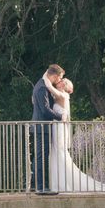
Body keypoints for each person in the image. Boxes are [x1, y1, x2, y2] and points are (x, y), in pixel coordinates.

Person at [42, 72, 105, 192]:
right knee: (56, 153)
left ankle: (62, 185)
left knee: (59, 153)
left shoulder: (62, 95)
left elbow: (49, 87)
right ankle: (58, 184)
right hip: (57, 127)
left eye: (61, 80)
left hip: (59, 128)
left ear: (63, 85)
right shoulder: (61, 95)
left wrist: (45, 76)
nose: (59, 81)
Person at [31, 64, 64, 194]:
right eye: (59, 77)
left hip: (41, 126)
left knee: (39, 156)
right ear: (54, 76)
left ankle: (37, 185)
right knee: (41, 157)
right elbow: (45, 110)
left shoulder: (42, 85)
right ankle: (41, 187)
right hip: (41, 127)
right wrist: (61, 116)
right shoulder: (42, 88)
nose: (59, 80)